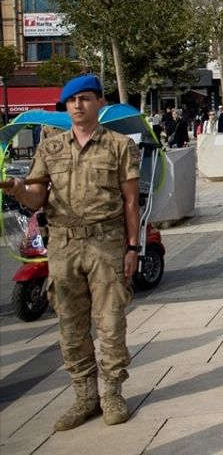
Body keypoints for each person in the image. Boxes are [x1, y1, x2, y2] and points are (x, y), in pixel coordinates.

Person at [1, 74, 142, 429]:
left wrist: (132, 247)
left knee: (111, 323)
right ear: (65, 107)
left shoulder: (119, 145)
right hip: (63, 245)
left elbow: (130, 203)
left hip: (106, 243)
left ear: (99, 103)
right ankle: (85, 397)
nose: (78, 105)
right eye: (71, 101)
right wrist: (19, 189)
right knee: (70, 326)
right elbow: (37, 199)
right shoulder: (50, 148)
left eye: (85, 99)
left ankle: (111, 393)